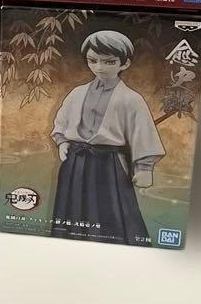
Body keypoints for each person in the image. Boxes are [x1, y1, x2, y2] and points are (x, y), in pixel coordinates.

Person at [50, 30, 165, 245]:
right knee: (72, 206)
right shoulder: (77, 93)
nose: (100, 67)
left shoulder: (131, 99)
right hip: (75, 160)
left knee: (112, 206)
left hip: (109, 163)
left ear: (124, 63)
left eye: (109, 62)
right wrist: (62, 141)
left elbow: (143, 132)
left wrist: (144, 168)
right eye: (93, 61)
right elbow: (62, 121)